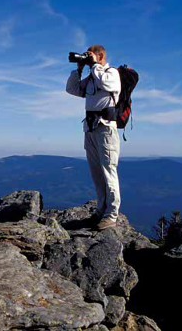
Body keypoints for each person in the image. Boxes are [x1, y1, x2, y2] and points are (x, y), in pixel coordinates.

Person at [65, 45, 122, 230]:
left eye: (90, 55)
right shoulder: (91, 77)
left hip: (106, 129)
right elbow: (72, 89)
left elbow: (106, 84)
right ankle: (100, 211)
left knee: (108, 172)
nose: (88, 58)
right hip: (90, 128)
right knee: (96, 173)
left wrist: (95, 65)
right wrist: (79, 69)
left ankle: (111, 215)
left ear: (101, 55)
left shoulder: (111, 73)